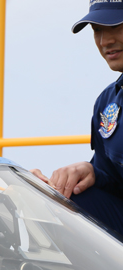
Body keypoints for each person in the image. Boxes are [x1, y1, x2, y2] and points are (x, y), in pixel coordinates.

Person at [32, 1, 123, 236]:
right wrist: (90, 173)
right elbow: (113, 182)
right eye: (97, 30)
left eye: (116, 26)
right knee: (66, 198)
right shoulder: (109, 102)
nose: (105, 41)